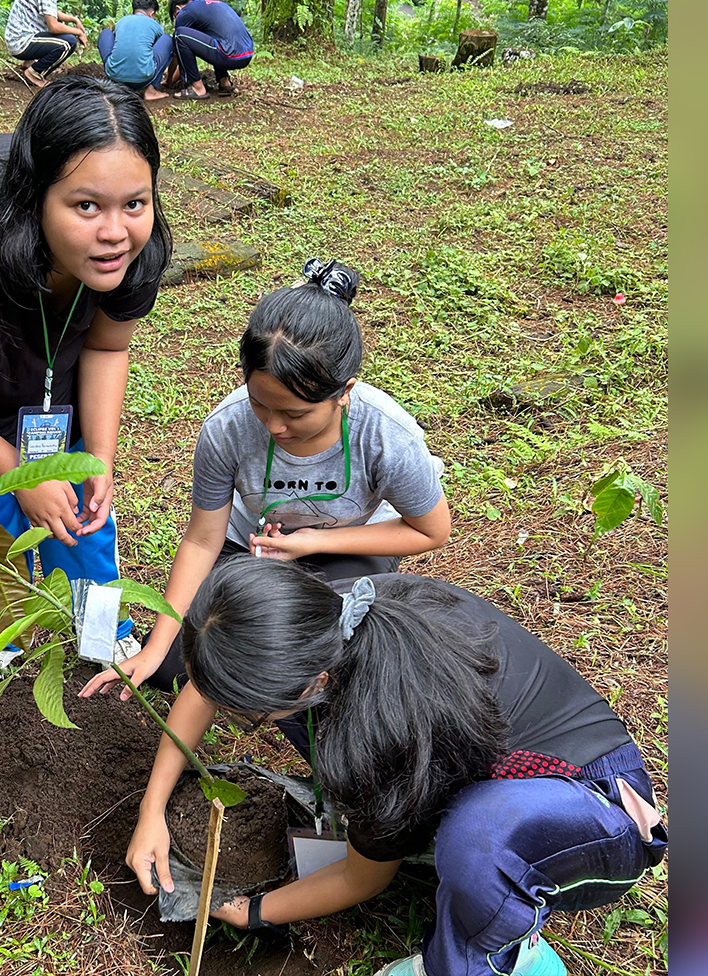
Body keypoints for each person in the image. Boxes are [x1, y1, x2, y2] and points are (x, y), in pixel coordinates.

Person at [125, 558, 668, 976]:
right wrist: (153, 812)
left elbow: (362, 877)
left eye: (248, 711)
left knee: (479, 842)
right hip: (495, 776)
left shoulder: (383, 734)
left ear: (310, 681)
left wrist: (256, 910)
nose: (239, 713)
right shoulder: (326, 618)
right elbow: (205, 687)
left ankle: (499, 955)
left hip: (589, 819)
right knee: (430, 813)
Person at [80, 260, 452, 758]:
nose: (274, 426)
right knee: (180, 665)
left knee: (317, 655)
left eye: (296, 414)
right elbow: (202, 539)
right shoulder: (227, 428)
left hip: (347, 548)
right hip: (250, 543)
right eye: (261, 403)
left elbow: (430, 531)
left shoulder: (384, 435)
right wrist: (156, 644)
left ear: (344, 393)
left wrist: (312, 543)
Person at [0, 77, 172, 676]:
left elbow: (107, 348)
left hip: (53, 402)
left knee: (82, 520)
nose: (115, 232)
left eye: (134, 203)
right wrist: (18, 472)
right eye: (87, 206)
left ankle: (97, 628)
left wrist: (98, 458)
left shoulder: (135, 248)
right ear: (35, 200)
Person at [5, 0, 89, 89]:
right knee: (69, 42)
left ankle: (29, 63)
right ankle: (34, 73)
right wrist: (78, 33)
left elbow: (50, 11)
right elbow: (53, 26)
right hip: (21, 41)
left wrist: (74, 20)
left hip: (17, 39)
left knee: (66, 36)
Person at [164, 0, 255, 99]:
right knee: (216, 38)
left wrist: (169, 81)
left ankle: (197, 88)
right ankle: (224, 82)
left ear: (177, 8)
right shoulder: (209, 6)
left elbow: (177, 54)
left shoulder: (184, 12)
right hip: (247, 54)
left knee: (179, 35)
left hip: (228, 55)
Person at [97, 0, 175, 98]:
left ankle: (114, 84)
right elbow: (159, 46)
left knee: (105, 33)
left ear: (133, 11)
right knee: (167, 39)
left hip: (116, 77)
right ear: (152, 14)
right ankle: (151, 89)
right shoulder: (154, 25)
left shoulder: (121, 21)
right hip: (143, 79)